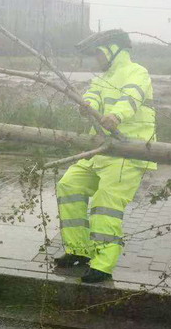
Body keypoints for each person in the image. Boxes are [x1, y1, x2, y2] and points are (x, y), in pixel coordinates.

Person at [55, 30, 156, 283]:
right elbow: (93, 95)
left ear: (112, 50)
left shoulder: (138, 72)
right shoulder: (103, 78)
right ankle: (79, 250)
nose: (97, 58)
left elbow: (132, 96)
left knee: (105, 202)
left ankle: (102, 265)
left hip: (128, 152)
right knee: (69, 185)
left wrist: (116, 116)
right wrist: (86, 105)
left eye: (99, 53)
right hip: (102, 148)